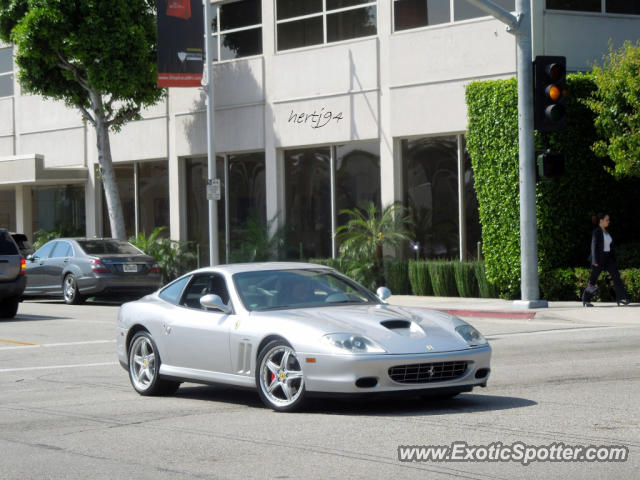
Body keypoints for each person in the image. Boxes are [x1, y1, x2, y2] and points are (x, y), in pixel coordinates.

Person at [582, 213, 630, 307]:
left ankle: (621, 298)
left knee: (616, 276)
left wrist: (613, 259)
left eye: (609, 220)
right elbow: (593, 246)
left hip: (608, 258)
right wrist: (594, 260)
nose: (609, 221)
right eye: (607, 220)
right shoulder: (596, 232)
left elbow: (610, 246)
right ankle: (586, 300)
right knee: (592, 279)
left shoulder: (607, 231)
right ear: (601, 221)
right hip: (599, 259)